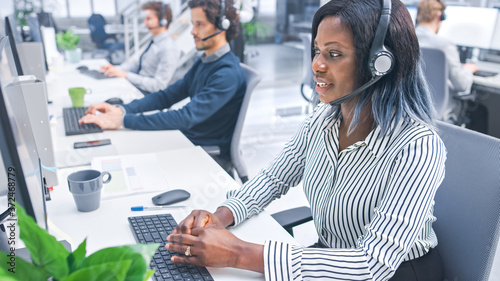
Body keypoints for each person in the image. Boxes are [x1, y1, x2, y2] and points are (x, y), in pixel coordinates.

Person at [164, 0, 446, 280]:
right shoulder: (322, 120)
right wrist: (219, 217)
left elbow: (371, 264)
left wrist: (238, 252)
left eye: (334, 54)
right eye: (316, 51)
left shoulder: (417, 145)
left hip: (394, 273)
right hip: (331, 258)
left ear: (380, 64)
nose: (316, 65)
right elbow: (273, 179)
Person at [80, 0, 245, 173]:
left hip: (205, 154)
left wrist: (121, 121)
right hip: (186, 139)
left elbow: (186, 116)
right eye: (193, 24)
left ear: (222, 26)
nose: (192, 31)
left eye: (200, 24)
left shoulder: (227, 73)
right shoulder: (204, 61)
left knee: (126, 157)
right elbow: (167, 96)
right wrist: (122, 110)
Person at [416, 0, 478, 121]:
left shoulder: (406, 39)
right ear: (440, 16)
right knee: (480, 111)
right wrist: (467, 70)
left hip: (412, 109)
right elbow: (462, 85)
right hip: (438, 113)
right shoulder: (444, 45)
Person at [100, 2, 180, 94]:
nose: (144, 23)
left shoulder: (168, 48)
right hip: (138, 88)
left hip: (148, 95)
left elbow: (159, 85)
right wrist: (115, 69)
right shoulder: (154, 41)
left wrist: (126, 75)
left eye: (148, 19)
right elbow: (138, 65)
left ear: (163, 20)